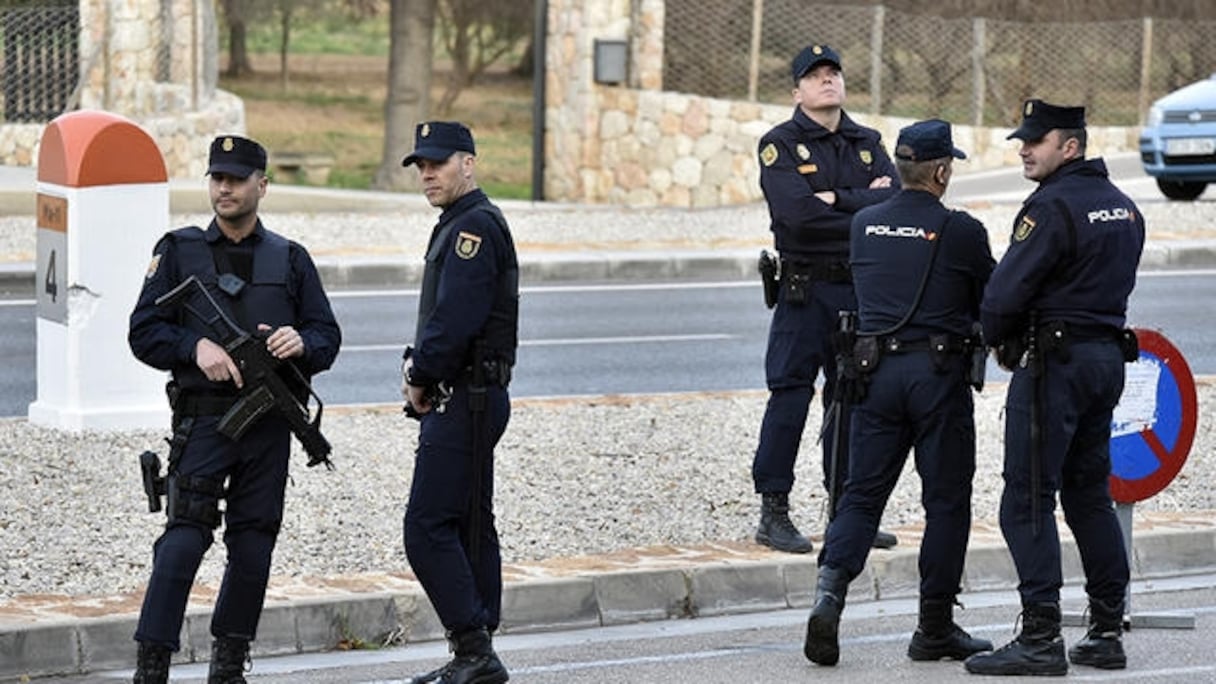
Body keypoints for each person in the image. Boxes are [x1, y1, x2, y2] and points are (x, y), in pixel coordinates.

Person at [128, 135, 342, 683]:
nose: (224, 188)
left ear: (261, 187)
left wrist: (302, 343)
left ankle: (228, 664)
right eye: (216, 178)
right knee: (183, 538)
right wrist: (192, 348)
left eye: (237, 179)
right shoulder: (178, 251)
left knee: (254, 542)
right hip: (204, 419)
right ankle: (152, 664)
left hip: (268, 422)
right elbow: (144, 330)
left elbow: (327, 334)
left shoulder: (291, 259)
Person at [803, 119, 996, 667]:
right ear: (940, 170)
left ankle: (829, 596)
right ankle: (933, 627)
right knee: (946, 503)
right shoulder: (962, 230)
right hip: (937, 379)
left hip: (873, 378)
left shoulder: (864, 224)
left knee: (861, 495)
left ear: (899, 167)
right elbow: (994, 299)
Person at [964, 100, 1145, 677]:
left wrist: (995, 338)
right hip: (1104, 360)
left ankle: (1041, 637)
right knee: (1089, 494)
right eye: (1023, 140)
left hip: (1055, 368)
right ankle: (1107, 631)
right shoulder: (1124, 207)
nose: (1024, 149)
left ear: (1070, 147)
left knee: (1027, 498)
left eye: (1036, 141)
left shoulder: (1050, 208)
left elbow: (1002, 296)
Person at [752, 43, 901, 554]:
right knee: (790, 396)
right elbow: (796, 218)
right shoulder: (780, 145)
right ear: (797, 91)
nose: (826, 80)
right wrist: (863, 206)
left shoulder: (868, 141)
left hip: (859, 288)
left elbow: (895, 203)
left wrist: (837, 200)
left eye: (833, 72)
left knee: (852, 399)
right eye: (814, 76)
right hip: (803, 290)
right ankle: (774, 510)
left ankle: (847, 510)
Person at [399, 121, 519, 684]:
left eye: (438, 163)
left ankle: (474, 648)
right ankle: (477, 650)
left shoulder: (471, 227)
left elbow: (455, 321)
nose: (427, 174)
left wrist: (421, 374)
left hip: (465, 396)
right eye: (421, 165)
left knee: (425, 528)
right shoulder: (462, 222)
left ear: (468, 164)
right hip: (473, 393)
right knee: (471, 523)